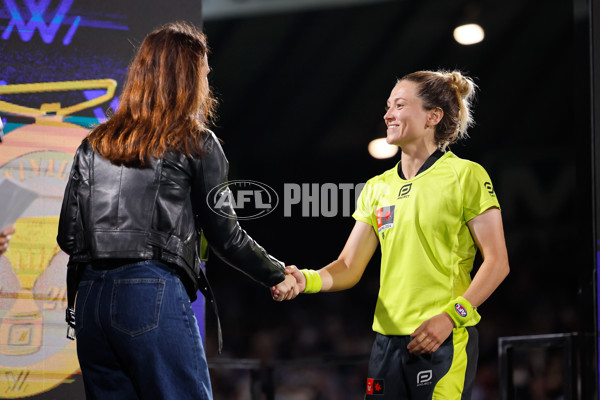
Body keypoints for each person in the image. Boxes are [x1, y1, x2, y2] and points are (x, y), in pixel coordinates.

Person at [57, 22, 298, 400]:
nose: (207, 78)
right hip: (150, 292)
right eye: (203, 71)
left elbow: (68, 238)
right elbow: (226, 236)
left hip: (90, 303)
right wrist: (276, 273)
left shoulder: (93, 143)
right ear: (187, 77)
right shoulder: (195, 140)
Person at [274, 70, 509, 399]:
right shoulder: (377, 188)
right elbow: (348, 265)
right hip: (385, 345)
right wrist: (306, 280)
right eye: (388, 106)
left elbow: (497, 262)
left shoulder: (466, 175)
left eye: (399, 105)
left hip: (442, 339)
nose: (387, 114)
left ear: (433, 116)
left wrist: (451, 317)